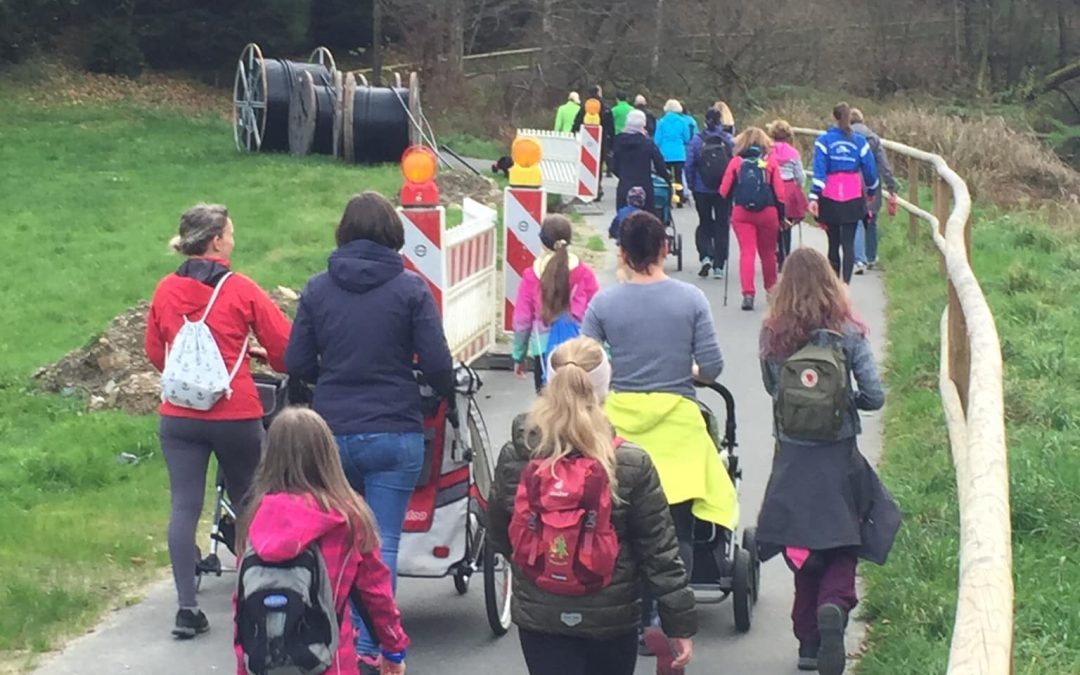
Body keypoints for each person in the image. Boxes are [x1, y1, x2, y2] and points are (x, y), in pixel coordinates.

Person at [285, 192, 454, 669]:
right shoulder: (411, 290)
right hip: (395, 431)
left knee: (334, 542)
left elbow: (296, 361)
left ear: (343, 231)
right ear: (393, 235)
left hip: (332, 434)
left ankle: (336, 639)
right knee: (381, 545)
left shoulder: (318, 289)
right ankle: (373, 648)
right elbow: (438, 362)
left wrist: (331, 375)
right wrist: (442, 392)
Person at [489, 337, 696, 675]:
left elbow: (500, 534)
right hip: (611, 618)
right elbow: (659, 551)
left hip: (542, 616)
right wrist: (679, 624)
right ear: (603, 389)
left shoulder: (518, 456)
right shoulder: (629, 462)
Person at [582, 212, 738, 653]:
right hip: (677, 424)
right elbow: (712, 367)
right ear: (666, 248)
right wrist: (685, 371)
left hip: (623, 423)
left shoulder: (604, 304)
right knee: (677, 531)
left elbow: (585, 363)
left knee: (624, 527)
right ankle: (666, 621)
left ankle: (630, 617)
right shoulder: (690, 300)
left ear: (623, 253)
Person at [145, 203, 292, 639]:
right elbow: (284, 348)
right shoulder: (240, 288)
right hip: (235, 411)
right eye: (229, 234)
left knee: (183, 506)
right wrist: (246, 359)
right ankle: (256, 598)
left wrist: (192, 381)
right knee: (252, 501)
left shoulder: (165, 290)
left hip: (179, 416)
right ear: (215, 242)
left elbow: (157, 354)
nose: (233, 239)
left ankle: (187, 608)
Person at [755, 248, 897, 675]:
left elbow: (772, 390)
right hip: (838, 456)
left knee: (801, 543)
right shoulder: (848, 330)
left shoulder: (772, 332)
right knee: (843, 536)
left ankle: (807, 643)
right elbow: (874, 394)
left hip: (792, 454)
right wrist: (842, 403)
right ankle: (833, 604)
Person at [235, 408, 409, 675]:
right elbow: (375, 593)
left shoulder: (255, 517)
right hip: (329, 661)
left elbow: (243, 602)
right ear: (328, 453)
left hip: (263, 663)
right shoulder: (347, 517)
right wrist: (393, 647)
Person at [512, 215, 601, 393]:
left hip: (544, 353)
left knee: (548, 409)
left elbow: (522, 322)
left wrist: (519, 356)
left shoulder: (532, 276)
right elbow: (598, 314)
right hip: (579, 350)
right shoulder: (585, 274)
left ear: (543, 242)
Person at [808, 102, 879, 284]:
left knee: (833, 243)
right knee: (848, 244)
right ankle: (845, 287)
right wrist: (871, 189)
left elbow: (820, 170)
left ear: (834, 117)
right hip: (853, 196)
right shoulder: (859, 141)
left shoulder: (824, 141)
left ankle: (833, 287)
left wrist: (814, 196)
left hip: (830, 196)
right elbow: (870, 170)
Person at [719, 126, 787, 311]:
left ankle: (748, 294)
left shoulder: (736, 162)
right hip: (768, 213)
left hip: (742, 213)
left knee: (747, 253)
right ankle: (771, 292)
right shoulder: (770, 163)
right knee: (768, 254)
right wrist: (782, 216)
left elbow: (723, 191)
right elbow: (780, 194)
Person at [684, 107, 735, 279]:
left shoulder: (697, 141)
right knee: (722, 224)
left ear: (705, 122)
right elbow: (735, 164)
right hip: (723, 190)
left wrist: (691, 185)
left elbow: (689, 164)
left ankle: (705, 255)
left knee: (704, 222)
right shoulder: (728, 140)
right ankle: (719, 265)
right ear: (721, 121)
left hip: (702, 188)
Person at [849, 108, 898, 274]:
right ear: (862, 121)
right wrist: (891, 185)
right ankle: (871, 257)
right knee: (871, 220)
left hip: (852, 182)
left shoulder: (846, 137)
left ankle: (859, 259)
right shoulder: (873, 138)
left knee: (856, 221)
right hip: (872, 183)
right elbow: (884, 165)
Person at [767, 120, 809, 271]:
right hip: (789, 189)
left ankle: (775, 252)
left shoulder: (767, 151)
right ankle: (785, 258)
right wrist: (800, 187)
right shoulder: (793, 153)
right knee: (787, 224)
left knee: (773, 223)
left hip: (772, 188)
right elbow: (800, 176)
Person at [610, 109, 668, 212]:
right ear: (643, 124)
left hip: (625, 186)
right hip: (645, 187)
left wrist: (623, 175)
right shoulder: (648, 143)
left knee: (623, 218)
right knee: (646, 220)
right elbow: (660, 164)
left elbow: (613, 165)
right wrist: (666, 177)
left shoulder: (618, 141)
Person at [572, 85, 617, 194]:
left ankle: (586, 186)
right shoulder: (605, 107)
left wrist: (574, 135)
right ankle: (597, 187)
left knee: (585, 163)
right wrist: (611, 143)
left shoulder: (585, 106)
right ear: (598, 93)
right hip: (602, 140)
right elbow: (611, 127)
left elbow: (577, 123)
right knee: (599, 164)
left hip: (585, 141)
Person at [655, 100, 692, 197]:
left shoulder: (661, 122)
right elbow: (686, 138)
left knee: (666, 176)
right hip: (678, 152)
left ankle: (668, 197)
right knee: (678, 177)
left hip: (665, 153)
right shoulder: (682, 121)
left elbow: (657, 139)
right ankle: (680, 197)